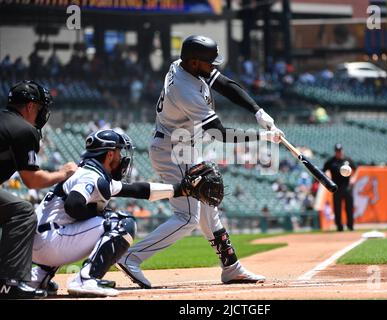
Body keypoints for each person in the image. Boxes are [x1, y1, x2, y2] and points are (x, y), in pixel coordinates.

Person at [117, 35, 284, 288]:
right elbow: (219, 133)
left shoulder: (184, 65)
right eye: (209, 62)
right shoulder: (184, 90)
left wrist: (257, 111)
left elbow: (226, 85)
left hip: (184, 148)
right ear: (195, 62)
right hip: (174, 151)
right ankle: (131, 256)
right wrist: (263, 136)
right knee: (188, 217)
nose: (213, 66)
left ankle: (231, 268)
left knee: (209, 211)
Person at [29, 129, 208, 297]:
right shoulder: (90, 176)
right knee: (122, 222)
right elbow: (73, 205)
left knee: (96, 219)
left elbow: (138, 190)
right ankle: (86, 279)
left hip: (40, 244)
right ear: (110, 154)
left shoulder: (91, 173)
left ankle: (38, 278)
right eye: (119, 151)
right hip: (52, 241)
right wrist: (97, 214)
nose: (122, 157)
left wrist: (180, 189)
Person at [0, 80, 77, 299]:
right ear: (30, 106)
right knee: (22, 212)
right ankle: (9, 283)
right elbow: (32, 180)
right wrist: (63, 173)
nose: (43, 113)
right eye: (41, 107)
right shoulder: (23, 129)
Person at [322, 144, 357, 231]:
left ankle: (350, 225)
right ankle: (339, 226)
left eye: (340, 150)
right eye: (337, 151)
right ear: (335, 152)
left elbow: (356, 169)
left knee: (349, 207)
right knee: (337, 208)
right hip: (336, 188)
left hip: (347, 188)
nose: (339, 152)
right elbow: (323, 171)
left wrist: (353, 178)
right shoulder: (331, 161)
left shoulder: (348, 160)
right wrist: (328, 179)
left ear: (342, 150)